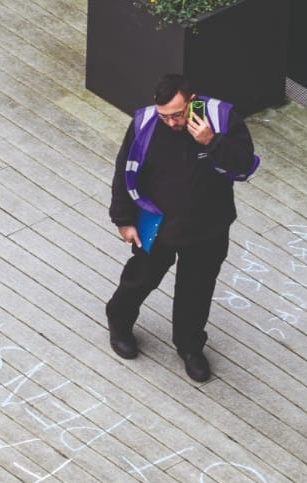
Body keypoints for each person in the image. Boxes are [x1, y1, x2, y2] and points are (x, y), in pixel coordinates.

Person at [105, 74, 256, 382]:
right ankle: (119, 322)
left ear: (192, 100)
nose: (172, 123)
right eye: (165, 116)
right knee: (140, 279)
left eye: (177, 114)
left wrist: (211, 142)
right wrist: (123, 220)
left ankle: (190, 347)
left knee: (196, 291)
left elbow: (243, 164)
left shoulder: (221, 119)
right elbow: (125, 171)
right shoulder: (145, 123)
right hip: (156, 222)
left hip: (208, 227)